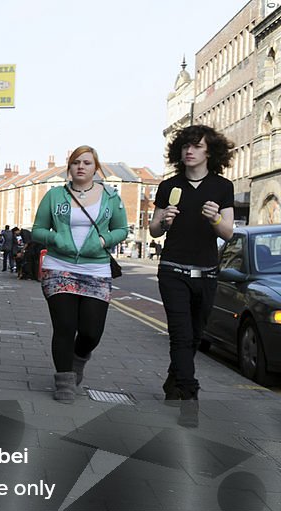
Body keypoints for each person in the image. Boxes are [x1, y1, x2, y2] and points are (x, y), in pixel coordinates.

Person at [149, 125, 234, 424]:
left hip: (207, 272)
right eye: (185, 146)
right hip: (173, 269)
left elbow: (229, 232)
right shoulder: (169, 186)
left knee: (195, 336)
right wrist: (165, 222)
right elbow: (154, 229)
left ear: (209, 151)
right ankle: (189, 393)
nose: (189, 150)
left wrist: (215, 219)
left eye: (196, 146)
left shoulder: (222, 187)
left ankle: (174, 382)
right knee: (181, 335)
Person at [31, 145, 129, 402]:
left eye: (86, 162)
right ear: (70, 167)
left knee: (90, 332)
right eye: (76, 162)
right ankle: (64, 381)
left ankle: (78, 359)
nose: (81, 166)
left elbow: (122, 230)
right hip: (59, 268)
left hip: (96, 269)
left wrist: (104, 241)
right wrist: (56, 238)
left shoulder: (111, 197)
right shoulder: (54, 196)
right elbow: (37, 230)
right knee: (64, 326)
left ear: (96, 168)